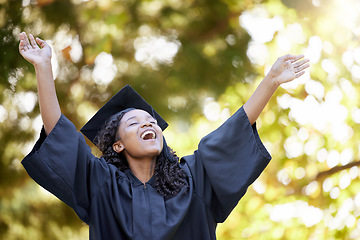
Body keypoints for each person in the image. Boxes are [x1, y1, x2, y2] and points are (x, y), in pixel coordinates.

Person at [19, 32, 309, 239]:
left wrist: (270, 82)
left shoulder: (193, 180)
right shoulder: (102, 185)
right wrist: (44, 67)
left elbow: (232, 133)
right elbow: (60, 135)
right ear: (117, 144)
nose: (148, 125)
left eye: (151, 121)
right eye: (134, 123)